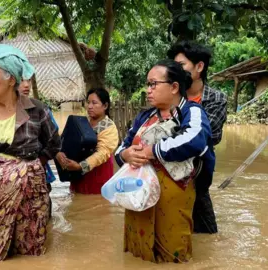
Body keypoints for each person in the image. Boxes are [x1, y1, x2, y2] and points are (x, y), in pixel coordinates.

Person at [0, 44, 61, 261]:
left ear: (11, 79)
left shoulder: (37, 110)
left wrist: (31, 167)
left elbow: (53, 144)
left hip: (31, 194)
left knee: (31, 250)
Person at [115, 60, 215, 263]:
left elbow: (194, 140)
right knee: (138, 251)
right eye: (147, 84)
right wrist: (125, 155)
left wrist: (152, 150)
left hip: (173, 194)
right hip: (139, 194)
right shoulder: (144, 116)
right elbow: (122, 146)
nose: (148, 90)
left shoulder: (192, 112)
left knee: (172, 252)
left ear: (174, 87)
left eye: (153, 84)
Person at [167, 40, 227, 234]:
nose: (176, 70)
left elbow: (211, 136)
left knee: (207, 235)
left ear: (199, 66)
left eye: (181, 65)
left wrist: (174, 134)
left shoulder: (216, 99)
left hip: (198, 174)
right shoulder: (169, 96)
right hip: (168, 172)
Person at [56, 88, 119, 194]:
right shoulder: (82, 123)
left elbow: (102, 153)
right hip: (77, 172)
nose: (89, 106)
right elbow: (66, 140)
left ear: (105, 106)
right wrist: (60, 153)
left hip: (98, 173)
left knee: (97, 202)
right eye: (88, 102)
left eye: (94, 103)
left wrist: (81, 166)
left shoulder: (109, 128)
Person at [19, 78, 58, 219]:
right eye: (21, 80)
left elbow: (54, 140)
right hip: (9, 182)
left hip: (38, 173)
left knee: (41, 224)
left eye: (28, 80)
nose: (26, 85)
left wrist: (38, 163)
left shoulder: (40, 109)